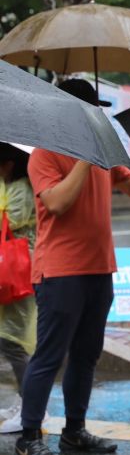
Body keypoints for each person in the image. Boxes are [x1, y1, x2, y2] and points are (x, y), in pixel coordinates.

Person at [15, 79, 130, 455]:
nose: (97, 117)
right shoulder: (44, 153)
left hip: (99, 268)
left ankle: (74, 430)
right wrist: (83, 157)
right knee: (49, 354)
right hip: (60, 272)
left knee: (86, 354)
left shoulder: (105, 156)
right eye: (91, 111)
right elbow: (57, 203)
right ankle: (29, 437)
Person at [0, 144, 38, 434]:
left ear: (9, 163)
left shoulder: (20, 189)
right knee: (11, 341)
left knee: (16, 343)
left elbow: (9, 222)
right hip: (15, 268)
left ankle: (32, 409)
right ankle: (27, 403)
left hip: (19, 270)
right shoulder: (11, 185)